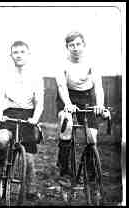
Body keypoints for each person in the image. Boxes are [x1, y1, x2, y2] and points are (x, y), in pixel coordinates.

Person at [0, 40, 44, 200]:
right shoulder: (5, 75)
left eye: (22, 52)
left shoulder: (36, 76)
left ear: (28, 54)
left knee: (29, 158)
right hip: (9, 114)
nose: (19, 55)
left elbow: (40, 102)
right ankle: (1, 165)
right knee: (1, 140)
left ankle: (31, 189)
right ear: (11, 55)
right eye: (16, 52)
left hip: (28, 116)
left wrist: (35, 119)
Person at [55, 31, 106, 178]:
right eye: (71, 45)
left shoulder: (92, 62)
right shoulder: (62, 63)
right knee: (67, 125)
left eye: (78, 44)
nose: (75, 48)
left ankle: (91, 172)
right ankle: (64, 169)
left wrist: (100, 105)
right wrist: (68, 104)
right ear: (67, 47)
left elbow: (98, 87)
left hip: (87, 96)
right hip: (67, 96)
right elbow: (61, 87)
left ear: (84, 45)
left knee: (92, 136)